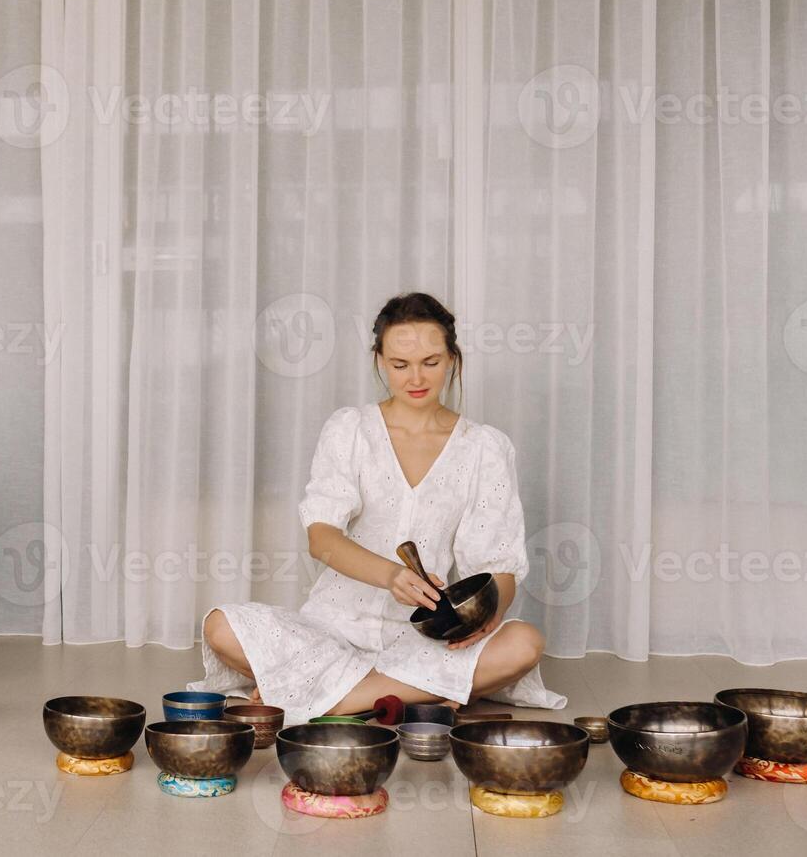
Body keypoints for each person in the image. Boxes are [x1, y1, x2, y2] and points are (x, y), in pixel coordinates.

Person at [191, 292, 564, 723]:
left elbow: (498, 561)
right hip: (332, 629)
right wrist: (391, 576)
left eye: (431, 361)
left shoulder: (485, 447)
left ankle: (328, 694)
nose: (416, 377)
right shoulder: (349, 429)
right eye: (400, 364)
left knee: (523, 643)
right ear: (381, 361)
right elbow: (321, 538)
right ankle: (412, 694)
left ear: (452, 359)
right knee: (221, 625)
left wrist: (488, 615)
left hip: (425, 639)